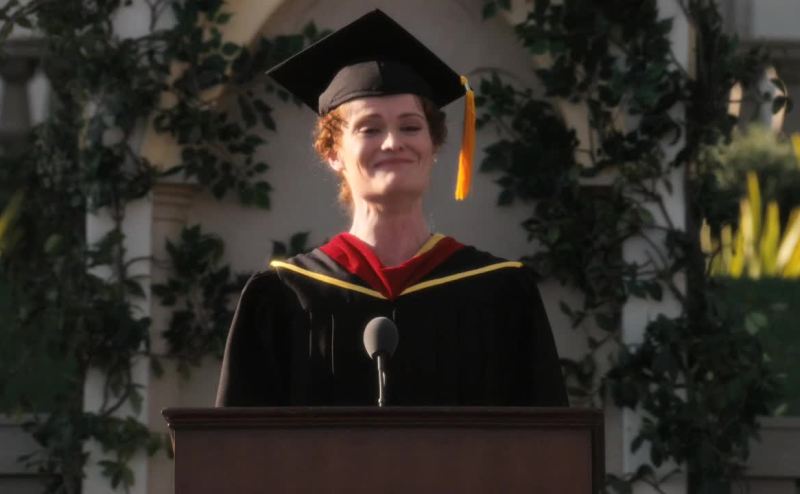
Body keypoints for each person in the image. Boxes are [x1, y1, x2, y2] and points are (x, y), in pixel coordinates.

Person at [215, 10, 568, 407]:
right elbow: (239, 442)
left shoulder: (501, 293)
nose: (392, 142)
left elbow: (546, 439)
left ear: (433, 146)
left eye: (410, 127)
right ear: (333, 152)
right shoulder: (283, 297)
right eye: (369, 128)